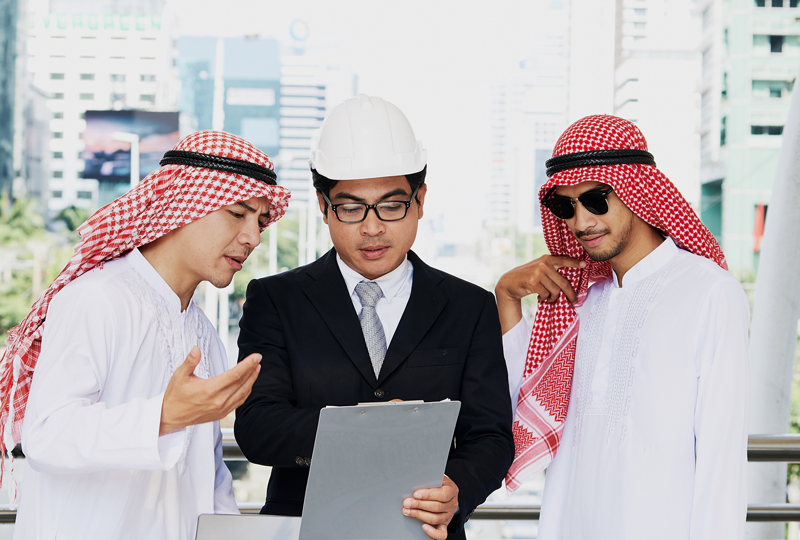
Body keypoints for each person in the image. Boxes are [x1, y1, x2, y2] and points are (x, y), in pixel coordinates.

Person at [234, 94, 514, 540]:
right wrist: (368, 429)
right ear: (324, 207)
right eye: (350, 207)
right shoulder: (276, 300)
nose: (372, 227)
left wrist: (457, 490)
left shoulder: (469, 306)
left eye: (391, 204)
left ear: (420, 200)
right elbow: (257, 428)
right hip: (304, 529)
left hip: (424, 531)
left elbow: (492, 437)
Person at [0, 131, 291, 540]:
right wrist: (164, 416)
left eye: (260, 221)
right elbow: (45, 435)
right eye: (237, 214)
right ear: (185, 203)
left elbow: (209, 478)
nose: (253, 237)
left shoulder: (204, 335)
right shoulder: (98, 298)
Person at [497, 115, 749, 539]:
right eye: (566, 206)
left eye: (596, 199)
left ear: (639, 190)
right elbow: (521, 406)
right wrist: (506, 297)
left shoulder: (709, 292)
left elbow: (721, 461)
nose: (581, 222)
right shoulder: (577, 296)